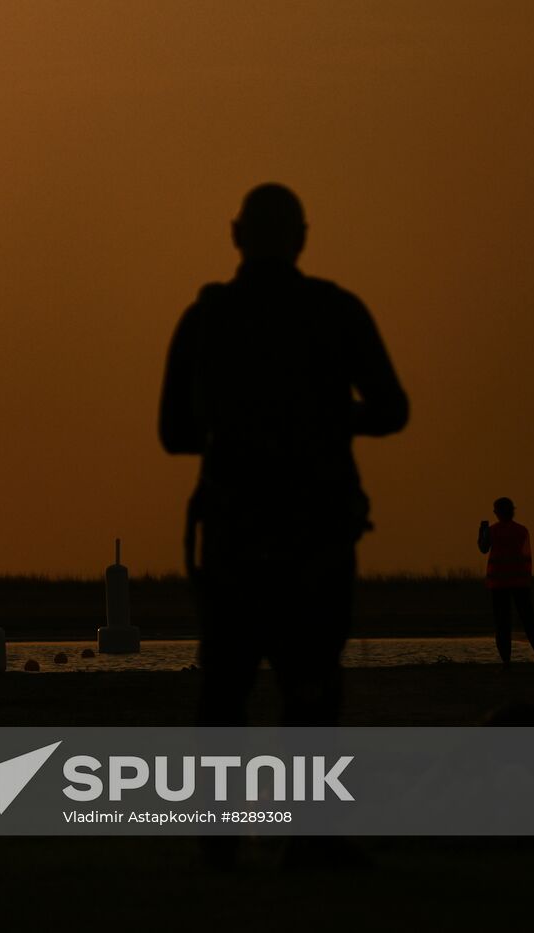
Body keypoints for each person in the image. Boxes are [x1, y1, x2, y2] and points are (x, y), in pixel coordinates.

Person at [159, 183, 409, 729]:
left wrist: (238, 435)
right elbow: (391, 409)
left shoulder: (205, 319)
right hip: (314, 543)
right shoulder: (337, 312)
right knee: (312, 694)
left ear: (236, 236)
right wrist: (328, 421)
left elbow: (174, 433)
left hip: (236, 543)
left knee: (224, 696)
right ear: (301, 239)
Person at [478, 497, 534, 667]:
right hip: (520, 582)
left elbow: (483, 548)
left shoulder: (492, 531)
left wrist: (482, 532)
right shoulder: (522, 531)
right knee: (528, 620)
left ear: (498, 512)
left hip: (499, 584)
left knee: (502, 623)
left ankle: (506, 659)